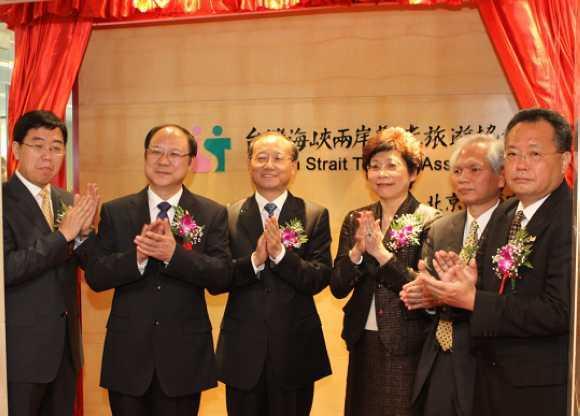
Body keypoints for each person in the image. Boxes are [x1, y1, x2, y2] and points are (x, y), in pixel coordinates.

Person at [418, 108, 572, 416]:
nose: (521, 165)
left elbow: (560, 311)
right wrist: (458, 287)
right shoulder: (505, 212)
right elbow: (487, 294)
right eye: (513, 154)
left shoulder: (572, 218)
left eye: (534, 154)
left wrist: (474, 300)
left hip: (539, 390)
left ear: (565, 160)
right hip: (486, 379)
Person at [84, 124, 230, 416]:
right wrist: (137, 257)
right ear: (145, 156)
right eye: (156, 152)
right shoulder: (116, 211)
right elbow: (96, 276)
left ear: (190, 163)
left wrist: (175, 255)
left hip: (183, 357)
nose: (163, 161)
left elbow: (221, 277)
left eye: (174, 154)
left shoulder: (211, 213)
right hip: (127, 356)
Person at [215, 131, 332, 416]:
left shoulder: (314, 214)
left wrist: (281, 255)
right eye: (261, 158)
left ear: (294, 166)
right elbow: (218, 279)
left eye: (278, 158)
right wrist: (255, 260)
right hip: (243, 350)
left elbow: (318, 278)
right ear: (250, 164)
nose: (269, 165)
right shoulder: (228, 215)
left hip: (295, 349)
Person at [331, 127, 439, 416]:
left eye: (391, 166)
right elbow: (338, 286)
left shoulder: (429, 220)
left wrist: (380, 253)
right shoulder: (356, 218)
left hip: (406, 339)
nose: (382, 174)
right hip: (362, 338)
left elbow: (423, 289)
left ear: (413, 172)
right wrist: (357, 252)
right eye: (374, 166)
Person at [401, 134, 505, 416]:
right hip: (439, 358)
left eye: (474, 169)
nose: (463, 178)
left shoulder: (512, 227)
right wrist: (425, 297)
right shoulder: (441, 227)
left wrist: (456, 294)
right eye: (457, 171)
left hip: (487, 359)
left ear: (501, 177)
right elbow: (429, 287)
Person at [4, 110, 99, 416]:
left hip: (65, 352)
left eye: (56, 147)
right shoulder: (3, 201)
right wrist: (63, 236)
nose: (48, 155)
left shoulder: (68, 201)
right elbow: (7, 269)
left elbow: (91, 267)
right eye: (38, 145)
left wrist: (84, 235)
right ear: (16, 149)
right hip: (18, 354)